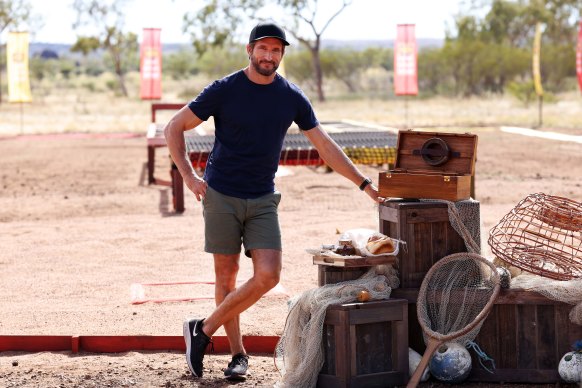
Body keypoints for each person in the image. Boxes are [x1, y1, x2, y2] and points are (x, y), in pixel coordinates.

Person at [164, 21, 381, 380]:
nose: (269, 55)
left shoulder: (291, 97)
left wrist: (364, 183)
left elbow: (325, 146)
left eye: (276, 50)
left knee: (267, 274)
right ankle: (237, 355)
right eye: (262, 48)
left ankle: (201, 331)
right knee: (226, 276)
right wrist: (188, 175)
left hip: (263, 196)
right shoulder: (225, 89)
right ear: (249, 50)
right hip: (221, 194)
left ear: (282, 55)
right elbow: (175, 126)